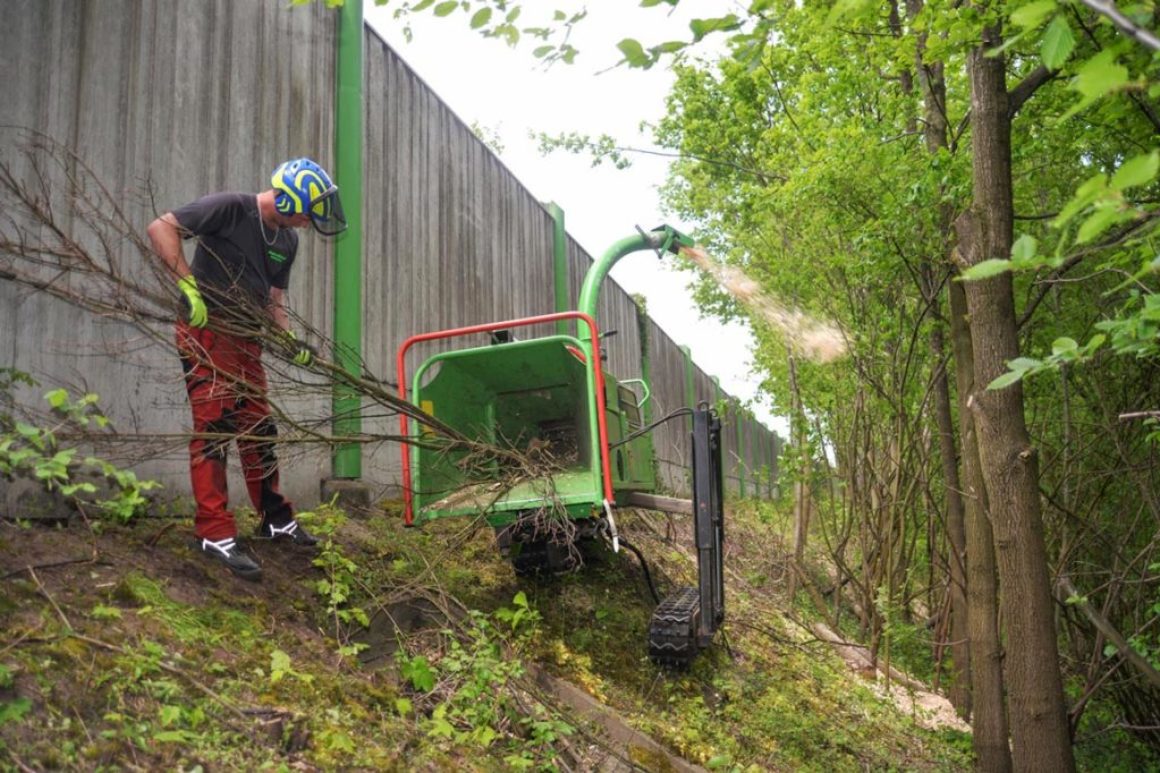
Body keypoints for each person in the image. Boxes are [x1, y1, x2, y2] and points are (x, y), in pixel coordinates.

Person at [147, 158, 347, 581]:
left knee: (259, 427)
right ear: (289, 199)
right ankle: (213, 531)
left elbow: (275, 300)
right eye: (306, 213)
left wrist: (288, 339)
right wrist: (188, 285)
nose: (308, 223)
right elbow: (161, 227)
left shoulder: (287, 241)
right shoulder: (230, 207)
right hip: (206, 330)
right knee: (215, 426)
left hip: (246, 338)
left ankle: (275, 518)